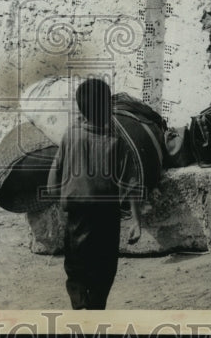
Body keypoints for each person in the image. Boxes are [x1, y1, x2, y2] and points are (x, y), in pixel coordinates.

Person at [46, 78, 141, 310]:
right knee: (105, 266)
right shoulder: (116, 140)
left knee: (76, 265)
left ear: (81, 109)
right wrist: (137, 220)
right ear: (107, 108)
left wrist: (59, 199)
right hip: (107, 213)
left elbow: (52, 181)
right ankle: (96, 306)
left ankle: (80, 302)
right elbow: (131, 181)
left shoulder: (71, 135)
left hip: (77, 213)